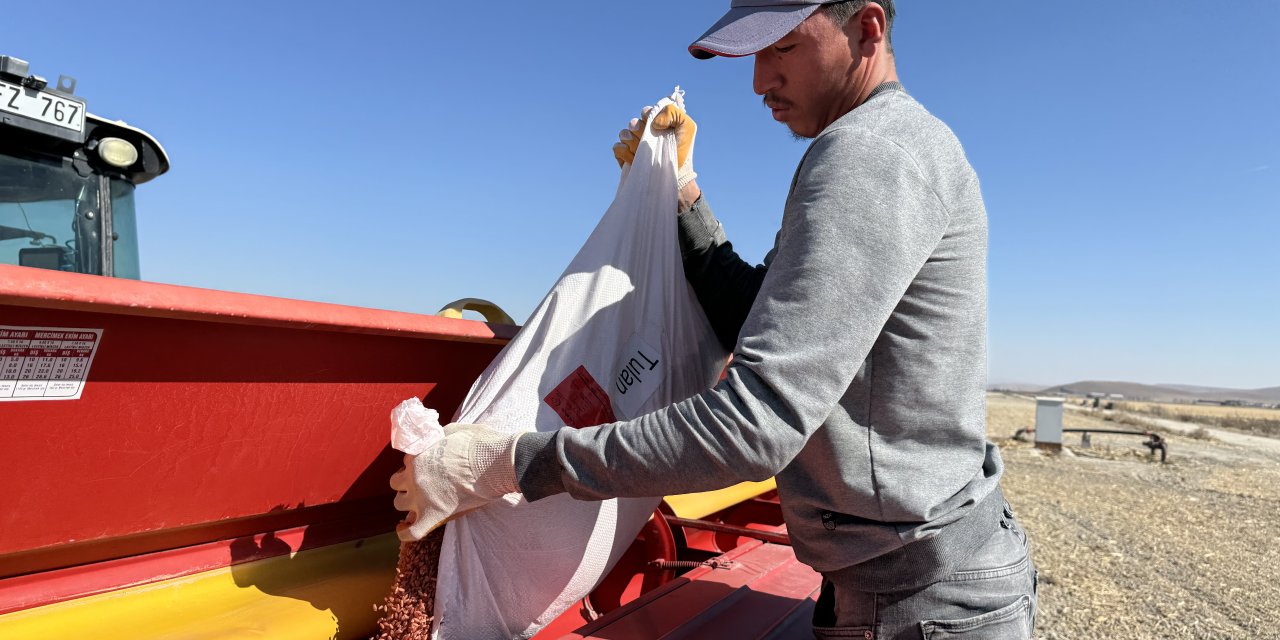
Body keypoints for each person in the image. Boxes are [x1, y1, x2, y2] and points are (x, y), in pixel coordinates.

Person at [390, 1, 1037, 637]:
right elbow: (763, 323)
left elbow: (756, 426)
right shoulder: (894, 145)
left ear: (866, 28)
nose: (759, 80)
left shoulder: (866, 152)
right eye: (754, 53)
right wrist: (683, 197)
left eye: (782, 47)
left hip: (917, 605)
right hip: (922, 581)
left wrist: (512, 464)